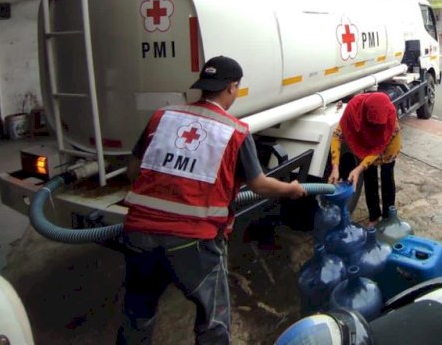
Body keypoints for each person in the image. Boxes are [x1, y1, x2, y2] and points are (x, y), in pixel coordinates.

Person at [118, 56, 307, 345]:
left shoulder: (162, 117)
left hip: (138, 234)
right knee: (213, 320)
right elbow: (259, 185)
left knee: (137, 313)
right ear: (232, 87)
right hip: (192, 242)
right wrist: (291, 189)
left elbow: (133, 170)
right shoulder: (234, 131)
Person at [328, 92, 401, 227]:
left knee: (387, 176)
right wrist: (335, 167)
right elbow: (337, 136)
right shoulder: (353, 110)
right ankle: (374, 216)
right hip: (365, 145)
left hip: (387, 145)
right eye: (372, 125)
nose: (374, 129)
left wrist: (359, 168)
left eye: (377, 126)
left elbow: (379, 148)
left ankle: (388, 217)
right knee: (369, 178)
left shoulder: (391, 121)